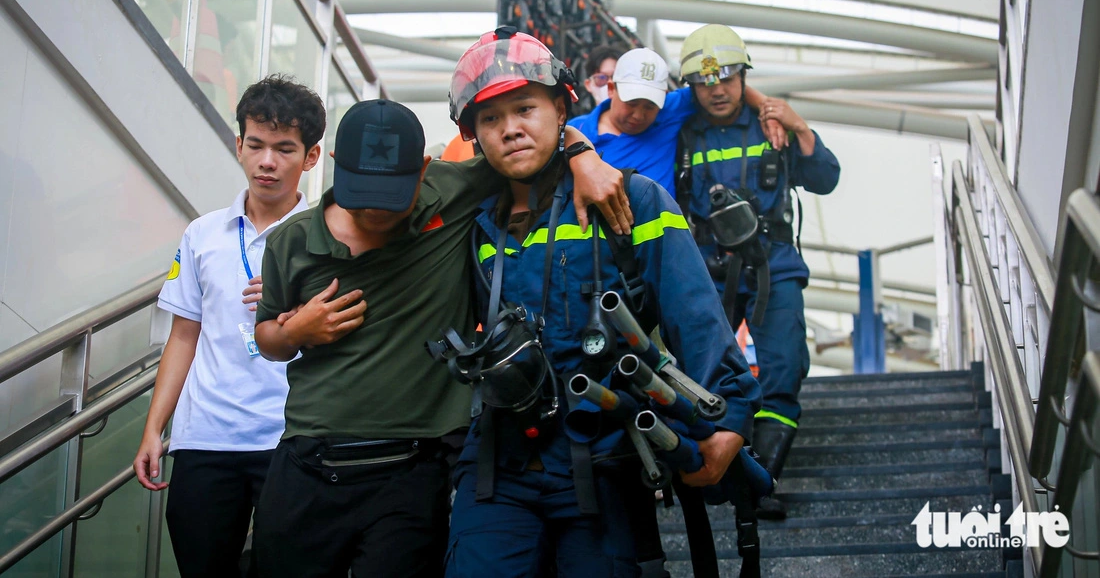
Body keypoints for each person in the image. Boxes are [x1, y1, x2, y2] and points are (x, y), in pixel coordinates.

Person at [250, 94, 630, 578]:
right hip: (308, 459)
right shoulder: (294, 240)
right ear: (332, 164)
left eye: (391, 196)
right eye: (360, 192)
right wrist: (296, 331)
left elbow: (534, 144)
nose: (375, 211)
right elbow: (265, 336)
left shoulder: (451, 192)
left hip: (413, 466)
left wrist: (585, 157)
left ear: (424, 168)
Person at [441, 28, 761, 577]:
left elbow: (696, 315)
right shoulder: (469, 223)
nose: (510, 129)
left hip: (606, 458)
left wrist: (729, 417)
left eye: (525, 109)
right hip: (498, 465)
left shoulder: (631, 200)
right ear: (473, 135)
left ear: (563, 108)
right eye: (490, 120)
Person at [132, 75, 325, 578]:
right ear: (238, 145)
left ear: (310, 157)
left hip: (294, 437)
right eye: (256, 145)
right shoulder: (202, 234)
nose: (267, 162)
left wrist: (296, 306)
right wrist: (156, 429)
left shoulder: (327, 237)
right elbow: (183, 337)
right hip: (206, 438)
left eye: (285, 149)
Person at [676, 24, 841, 520]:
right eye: (705, 82)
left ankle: (762, 481)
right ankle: (711, 471)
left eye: (728, 77)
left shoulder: (773, 124)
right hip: (710, 272)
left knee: (785, 366)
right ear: (691, 87)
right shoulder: (680, 134)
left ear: (743, 75)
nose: (718, 89)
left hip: (775, 265)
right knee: (702, 375)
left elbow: (825, 179)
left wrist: (801, 128)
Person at [568, 47, 781, 196]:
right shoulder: (578, 130)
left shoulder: (668, 111)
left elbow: (727, 91)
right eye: (631, 103)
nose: (639, 115)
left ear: (663, 97)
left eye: (649, 106)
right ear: (613, 89)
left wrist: (767, 108)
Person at [578, 43, 626, 110]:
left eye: (615, 78)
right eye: (601, 78)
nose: (610, 84)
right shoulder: (579, 121)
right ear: (588, 85)